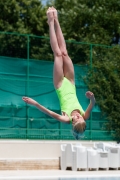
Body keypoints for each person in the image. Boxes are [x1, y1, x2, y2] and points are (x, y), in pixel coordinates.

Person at [22, 7, 95, 140]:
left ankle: (50, 21)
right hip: (71, 83)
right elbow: (92, 105)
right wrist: (91, 98)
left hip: (60, 85)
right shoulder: (84, 116)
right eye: (81, 119)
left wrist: (35, 103)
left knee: (57, 54)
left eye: (77, 119)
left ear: (73, 122)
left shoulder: (65, 118)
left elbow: (49, 112)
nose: (79, 117)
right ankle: (56, 19)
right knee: (64, 52)